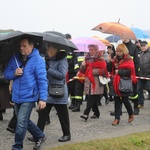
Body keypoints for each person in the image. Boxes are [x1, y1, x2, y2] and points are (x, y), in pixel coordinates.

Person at [4, 37, 48, 150]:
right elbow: (6, 74)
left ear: (31, 46)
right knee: (22, 120)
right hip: (16, 96)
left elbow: (42, 80)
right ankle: (40, 135)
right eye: (20, 46)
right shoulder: (14, 58)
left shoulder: (38, 60)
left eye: (24, 46)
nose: (21, 48)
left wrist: (43, 98)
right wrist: (14, 73)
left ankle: (17, 147)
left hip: (29, 96)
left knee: (21, 123)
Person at [36, 42, 71, 142]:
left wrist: (48, 69)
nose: (47, 51)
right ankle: (38, 134)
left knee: (62, 115)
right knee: (42, 114)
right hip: (48, 90)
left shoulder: (62, 60)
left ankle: (67, 134)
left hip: (59, 91)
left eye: (48, 49)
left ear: (54, 50)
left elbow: (61, 75)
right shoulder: (49, 59)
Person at [107, 43, 137, 126]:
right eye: (116, 51)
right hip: (115, 82)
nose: (118, 53)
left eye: (119, 51)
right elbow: (109, 69)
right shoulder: (114, 59)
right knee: (116, 100)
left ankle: (130, 113)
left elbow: (129, 71)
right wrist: (109, 62)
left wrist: (119, 72)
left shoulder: (128, 59)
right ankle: (117, 118)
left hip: (124, 81)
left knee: (125, 100)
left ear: (124, 51)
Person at [80, 45, 108, 120]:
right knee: (93, 98)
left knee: (91, 97)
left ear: (96, 50)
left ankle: (86, 113)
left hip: (96, 81)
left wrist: (92, 71)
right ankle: (96, 113)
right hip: (88, 81)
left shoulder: (100, 58)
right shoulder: (86, 58)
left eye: (92, 50)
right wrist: (83, 65)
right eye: (89, 49)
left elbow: (103, 70)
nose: (90, 51)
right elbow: (82, 70)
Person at [137, 41, 150, 108]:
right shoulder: (140, 53)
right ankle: (141, 103)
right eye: (141, 46)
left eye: (144, 46)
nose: (143, 47)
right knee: (139, 89)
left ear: (147, 46)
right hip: (140, 75)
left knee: (149, 88)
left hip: (148, 75)